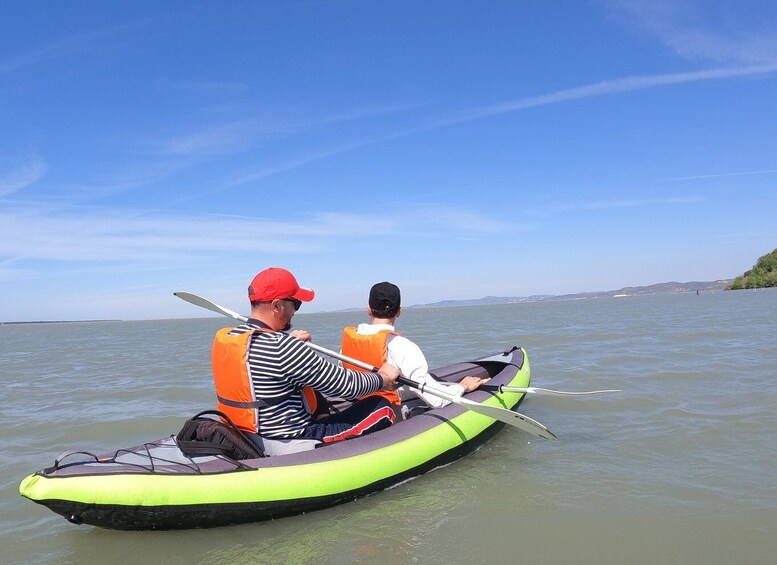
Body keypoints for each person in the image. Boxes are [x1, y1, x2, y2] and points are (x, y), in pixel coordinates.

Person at [211, 267, 400, 444]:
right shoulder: (283, 348)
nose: (295, 311)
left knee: (314, 393)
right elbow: (348, 386)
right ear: (277, 306)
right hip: (292, 439)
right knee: (381, 406)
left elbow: (267, 360)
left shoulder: (231, 337)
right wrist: (383, 377)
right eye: (295, 304)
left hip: (248, 434)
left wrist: (289, 341)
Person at [340, 281, 488, 416]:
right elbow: (437, 401)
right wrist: (463, 387)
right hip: (385, 412)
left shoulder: (349, 342)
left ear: (368, 309)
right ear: (399, 311)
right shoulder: (403, 346)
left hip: (359, 403)